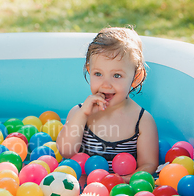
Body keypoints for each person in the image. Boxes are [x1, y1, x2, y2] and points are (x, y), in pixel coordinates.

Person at [56, 27, 159, 183]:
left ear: (136, 78)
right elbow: (66, 152)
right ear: (89, 71)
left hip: (121, 193)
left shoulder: (143, 121)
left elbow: (148, 164)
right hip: (84, 189)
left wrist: (124, 180)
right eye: (98, 74)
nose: (106, 84)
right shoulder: (79, 112)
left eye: (117, 75)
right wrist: (83, 115)